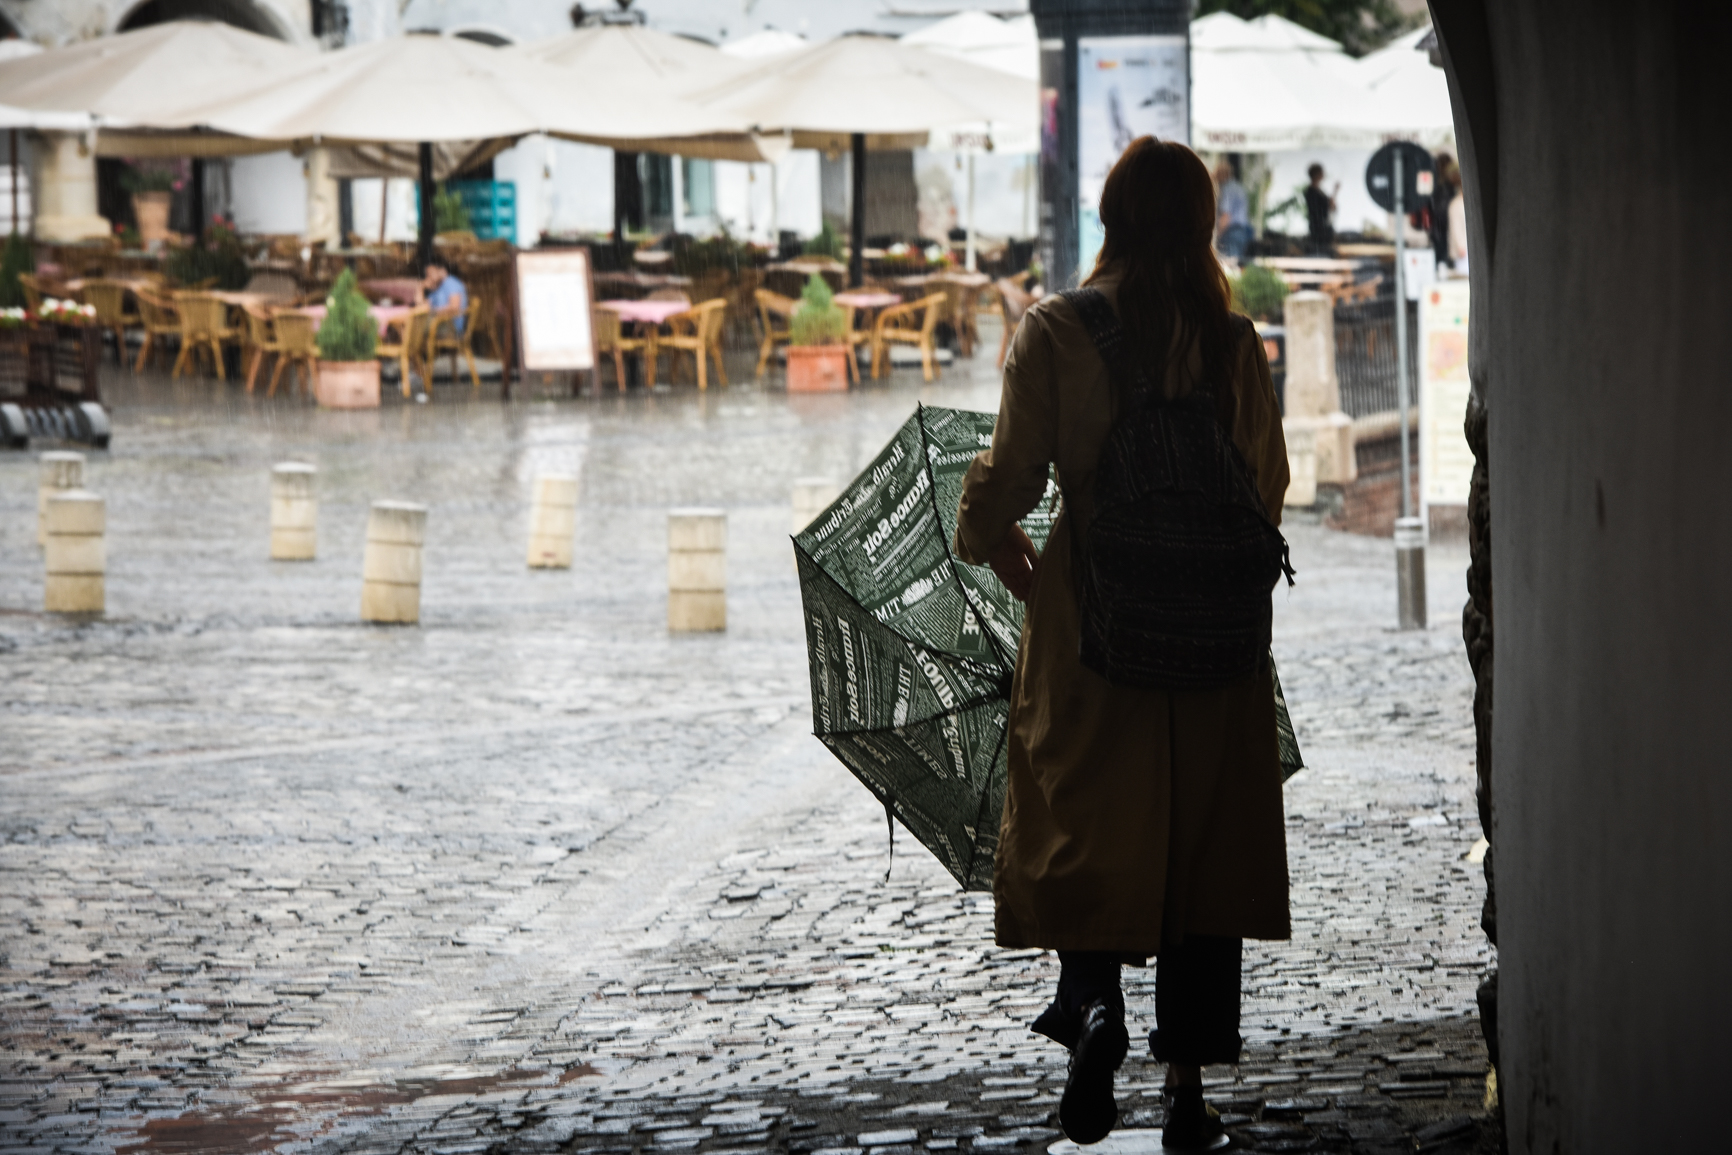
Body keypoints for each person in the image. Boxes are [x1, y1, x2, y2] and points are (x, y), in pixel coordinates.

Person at [952, 138, 1291, 1150]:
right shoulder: (1231, 342)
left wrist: (1001, 550)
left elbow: (1006, 484)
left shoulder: (1055, 330)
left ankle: (1093, 1006)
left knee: (1077, 816)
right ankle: (1186, 1090)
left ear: (1106, 218)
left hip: (1089, 631)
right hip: (1211, 646)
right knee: (1199, 838)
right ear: (1204, 224)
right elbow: (1265, 490)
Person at [1213, 158, 1252, 259]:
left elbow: (1226, 217)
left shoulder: (1227, 189)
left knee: (1228, 265)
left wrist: (1216, 235)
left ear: (1223, 174)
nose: (1215, 178)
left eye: (1217, 174)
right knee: (1236, 263)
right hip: (1242, 232)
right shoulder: (1239, 187)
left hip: (1231, 233)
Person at [423, 256, 468, 334]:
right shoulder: (436, 287)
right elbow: (422, 307)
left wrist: (432, 311)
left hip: (451, 327)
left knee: (414, 327)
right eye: (427, 274)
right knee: (412, 324)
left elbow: (454, 307)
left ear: (442, 271)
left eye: (431, 273)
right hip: (439, 323)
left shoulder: (450, 282)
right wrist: (421, 288)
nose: (429, 277)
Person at [1303, 162, 1336, 253]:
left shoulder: (1317, 191)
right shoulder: (1311, 192)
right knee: (1321, 251)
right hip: (1319, 228)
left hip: (1322, 227)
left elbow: (1330, 206)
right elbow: (1327, 207)